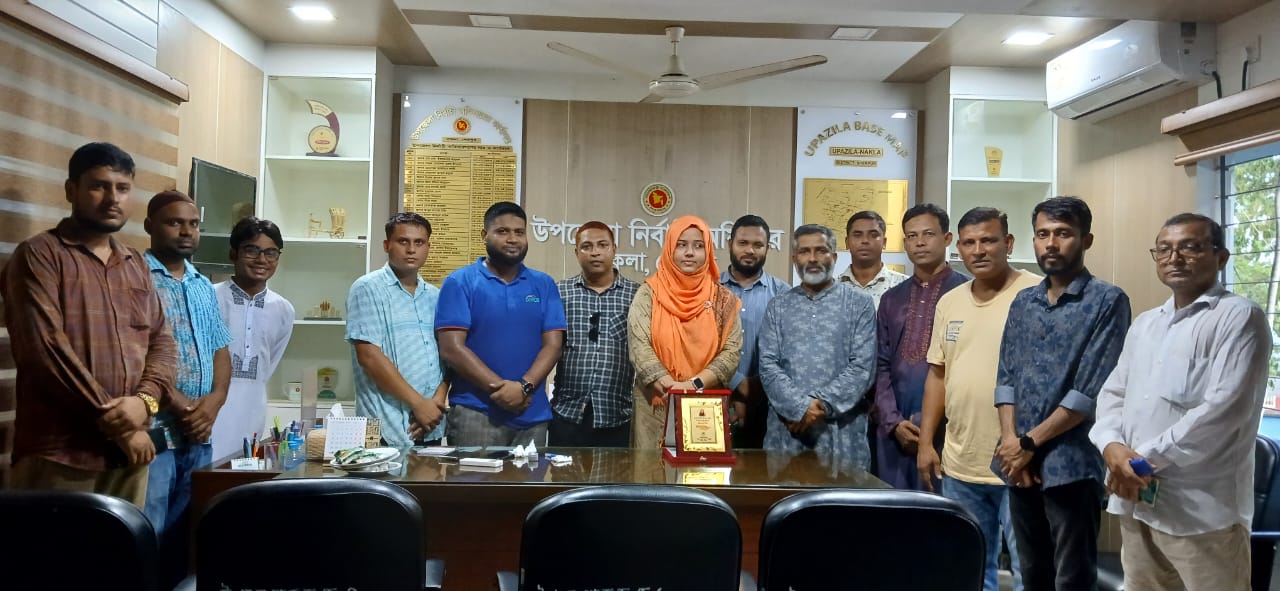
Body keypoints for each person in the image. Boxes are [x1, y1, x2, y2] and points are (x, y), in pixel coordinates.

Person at [1090, 213, 1271, 591]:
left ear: (1221, 257)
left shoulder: (1240, 317)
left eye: (1190, 247)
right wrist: (1110, 446)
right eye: (1164, 249)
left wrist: (1136, 463)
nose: (1174, 258)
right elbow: (1113, 394)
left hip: (1202, 513)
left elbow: (1222, 412)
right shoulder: (1146, 323)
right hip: (1137, 502)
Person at [1, 142, 176, 507]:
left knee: (123, 545)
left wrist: (145, 402)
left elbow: (162, 342)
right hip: (61, 453)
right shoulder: (39, 255)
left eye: (123, 188)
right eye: (99, 186)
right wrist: (121, 429)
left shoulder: (134, 263)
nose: (113, 199)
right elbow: (46, 354)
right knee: (54, 547)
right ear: (71, 190)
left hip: (131, 455)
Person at [993, 197, 1130, 591]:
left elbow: (1087, 393)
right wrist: (1011, 443)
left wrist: (1028, 443)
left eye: (1063, 233)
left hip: (1071, 464)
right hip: (1019, 465)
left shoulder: (1107, 301)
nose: (1051, 243)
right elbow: (1006, 377)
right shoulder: (1025, 301)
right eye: (1043, 234)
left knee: (1072, 577)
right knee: (1032, 573)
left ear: (1086, 240)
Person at [919, 207, 1037, 591]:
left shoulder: (1036, 294)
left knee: (1029, 569)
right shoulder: (950, 302)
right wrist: (926, 443)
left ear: (1009, 243)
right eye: (969, 242)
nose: (979, 250)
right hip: (960, 463)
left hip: (1019, 460)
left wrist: (1029, 445)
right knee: (970, 570)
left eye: (988, 240)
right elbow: (938, 375)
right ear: (959, 248)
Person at [140, 190, 233, 586]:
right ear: (149, 225)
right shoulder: (136, 278)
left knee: (188, 532)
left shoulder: (201, 284)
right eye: (174, 223)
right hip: (155, 428)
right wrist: (181, 405)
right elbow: (135, 355)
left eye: (193, 224)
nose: (186, 232)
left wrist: (213, 404)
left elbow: (220, 349)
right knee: (151, 527)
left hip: (198, 432)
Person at [437, 201, 565, 446]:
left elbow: (553, 345)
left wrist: (523, 388)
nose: (512, 239)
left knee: (531, 474)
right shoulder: (460, 282)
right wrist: (501, 390)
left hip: (532, 414)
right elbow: (451, 348)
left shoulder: (544, 284)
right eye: (503, 231)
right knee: (472, 474)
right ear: (484, 235)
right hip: (476, 413)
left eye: (519, 232)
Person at [758, 224, 876, 474]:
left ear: (834, 257)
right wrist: (799, 407)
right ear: (794, 259)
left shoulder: (860, 304)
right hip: (788, 433)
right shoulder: (778, 306)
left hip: (842, 437)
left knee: (843, 497)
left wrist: (819, 406)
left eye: (821, 250)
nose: (812, 258)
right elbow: (767, 365)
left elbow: (863, 367)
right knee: (786, 498)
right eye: (804, 251)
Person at [874, 203, 968, 490]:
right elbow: (880, 364)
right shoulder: (892, 299)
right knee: (894, 508)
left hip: (950, 428)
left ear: (947, 238)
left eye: (928, 234)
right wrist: (893, 422)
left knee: (942, 509)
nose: (920, 242)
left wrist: (933, 425)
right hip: (895, 430)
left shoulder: (967, 294)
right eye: (912, 236)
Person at [628, 215, 742, 449]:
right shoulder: (649, 294)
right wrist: (670, 386)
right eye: (681, 245)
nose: (689, 253)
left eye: (698, 246)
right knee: (651, 469)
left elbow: (731, 352)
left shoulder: (723, 300)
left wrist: (693, 385)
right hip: (655, 406)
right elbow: (639, 345)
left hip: (705, 406)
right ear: (670, 248)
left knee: (700, 468)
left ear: (708, 251)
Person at [347, 213, 449, 448]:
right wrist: (418, 404)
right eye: (403, 241)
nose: (411, 249)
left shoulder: (435, 296)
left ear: (428, 247)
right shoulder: (368, 288)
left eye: (419, 242)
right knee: (380, 475)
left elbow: (447, 356)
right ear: (387, 245)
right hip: (384, 427)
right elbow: (369, 357)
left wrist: (436, 402)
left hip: (430, 424)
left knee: (429, 475)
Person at [211, 217, 295, 460]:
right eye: (252, 250)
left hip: (252, 410)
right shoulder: (209, 297)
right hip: (208, 411)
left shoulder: (283, 309)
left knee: (243, 473)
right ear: (233, 253)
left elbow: (268, 365)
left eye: (271, 253)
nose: (262, 260)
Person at [550, 222, 640, 447]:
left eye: (602, 245)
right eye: (587, 246)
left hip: (616, 414)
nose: (595, 252)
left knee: (616, 472)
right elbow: (547, 347)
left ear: (614, 249)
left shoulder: (637, 295)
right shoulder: (560, 293)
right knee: (562, 471)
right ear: (576, 252)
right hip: (567, 413)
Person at [719, 214, 788, 449]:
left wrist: (756, 389)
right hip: (717, 403)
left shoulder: (784, 294)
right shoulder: (709, 290)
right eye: (743, 243)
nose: (750, 250)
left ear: (768, 248)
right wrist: (738, 385)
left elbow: (790, 352)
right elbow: (698, 346)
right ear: (730, 244)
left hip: (770, 409)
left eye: (758, 245)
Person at [838, 210, 908, 308]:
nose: (865, 240)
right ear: (847, 242)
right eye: (857, 235)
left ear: (884, 242)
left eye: (873, 235)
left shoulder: (906, 287)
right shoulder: (831, 289)